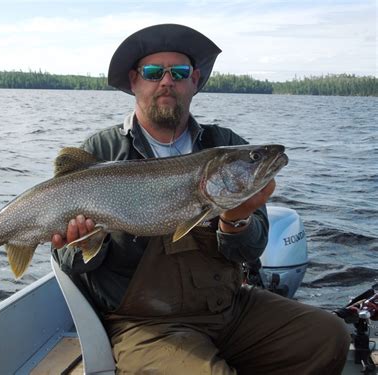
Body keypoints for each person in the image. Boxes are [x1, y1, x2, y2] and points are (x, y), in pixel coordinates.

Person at [51, 24, 349, 374]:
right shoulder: (100, 152)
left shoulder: (225, 144)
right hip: (146, 325)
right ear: (135, 81)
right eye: (153, 72)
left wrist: (235, 220)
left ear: (194, 80)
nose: (166, 81)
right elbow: (70, 261)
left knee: (329, 336)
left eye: (178, 72)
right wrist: (84, 243)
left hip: (229, 307)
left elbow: (250, 251)